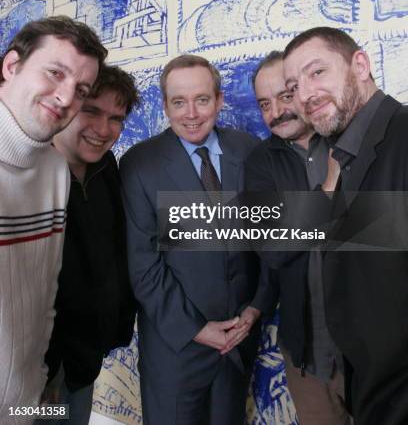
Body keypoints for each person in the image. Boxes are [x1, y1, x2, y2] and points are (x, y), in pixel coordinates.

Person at [120, 54, 272, 425]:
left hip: (239, 341)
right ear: (165, 105)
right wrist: (197, 329)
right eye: (178, 102)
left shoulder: (251, 151)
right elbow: (144, 265)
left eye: (202, 99)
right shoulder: (139, 164)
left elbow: (270, 241)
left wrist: (256, 307)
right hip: (176, 348)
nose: (191, 113)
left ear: (219, 100)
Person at [283, 26, 408, 425]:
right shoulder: (348, 158)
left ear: (361, 65)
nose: (304, 94)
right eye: (294, 86)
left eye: (316, 72)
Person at [0, 16, 107, 425]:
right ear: (11, 66)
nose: (66, 98)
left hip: (24, 402)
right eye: (54, 73)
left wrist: (38, 380)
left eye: (80, 89)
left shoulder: (54, 168)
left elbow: (45, 290)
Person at [245, 51, 351, 425]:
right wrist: (328, 189)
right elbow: (271, 248)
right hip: (307, 352)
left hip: (372, 346)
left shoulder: (352, 139)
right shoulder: (259, 162)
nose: (276, 112)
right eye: (264, 104)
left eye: (285, 96)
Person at [39, 65, 140, 425]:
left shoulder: (106, 167)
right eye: (92, 111)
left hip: (83, 362)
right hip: (36, 374)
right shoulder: (24, 173)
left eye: (116, 118)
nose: (103, 130)